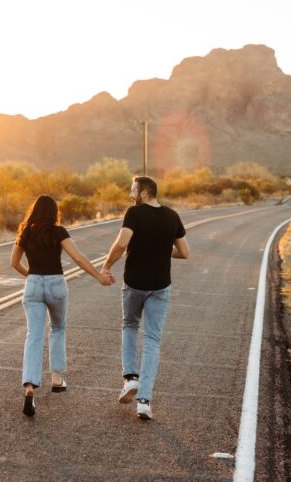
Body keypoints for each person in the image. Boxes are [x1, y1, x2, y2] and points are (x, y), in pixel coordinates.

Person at [10, 194, 114, 417]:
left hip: (33, 284)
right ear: (54, 212)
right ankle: (57, 378)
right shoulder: (59, 232)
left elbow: (14, 262)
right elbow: (78, 258)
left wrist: (32, 277)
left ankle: (29, 386)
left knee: (33, 335)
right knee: (57, 328)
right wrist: (99, 276)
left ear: (34, 210)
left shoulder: (25, 232)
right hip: (57, 283)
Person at [100, 176, 189, 420]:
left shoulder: (135, 213)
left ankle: (130, 378)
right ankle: (144, 401)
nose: (131, 194)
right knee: (152, 340)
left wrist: (107, 266)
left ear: (145, 193)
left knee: (129, 326)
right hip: (160, 287)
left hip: (134, 284)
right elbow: (184, 252)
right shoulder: (172, 216)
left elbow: (121, 244)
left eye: (133, 190)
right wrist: (161, 249)